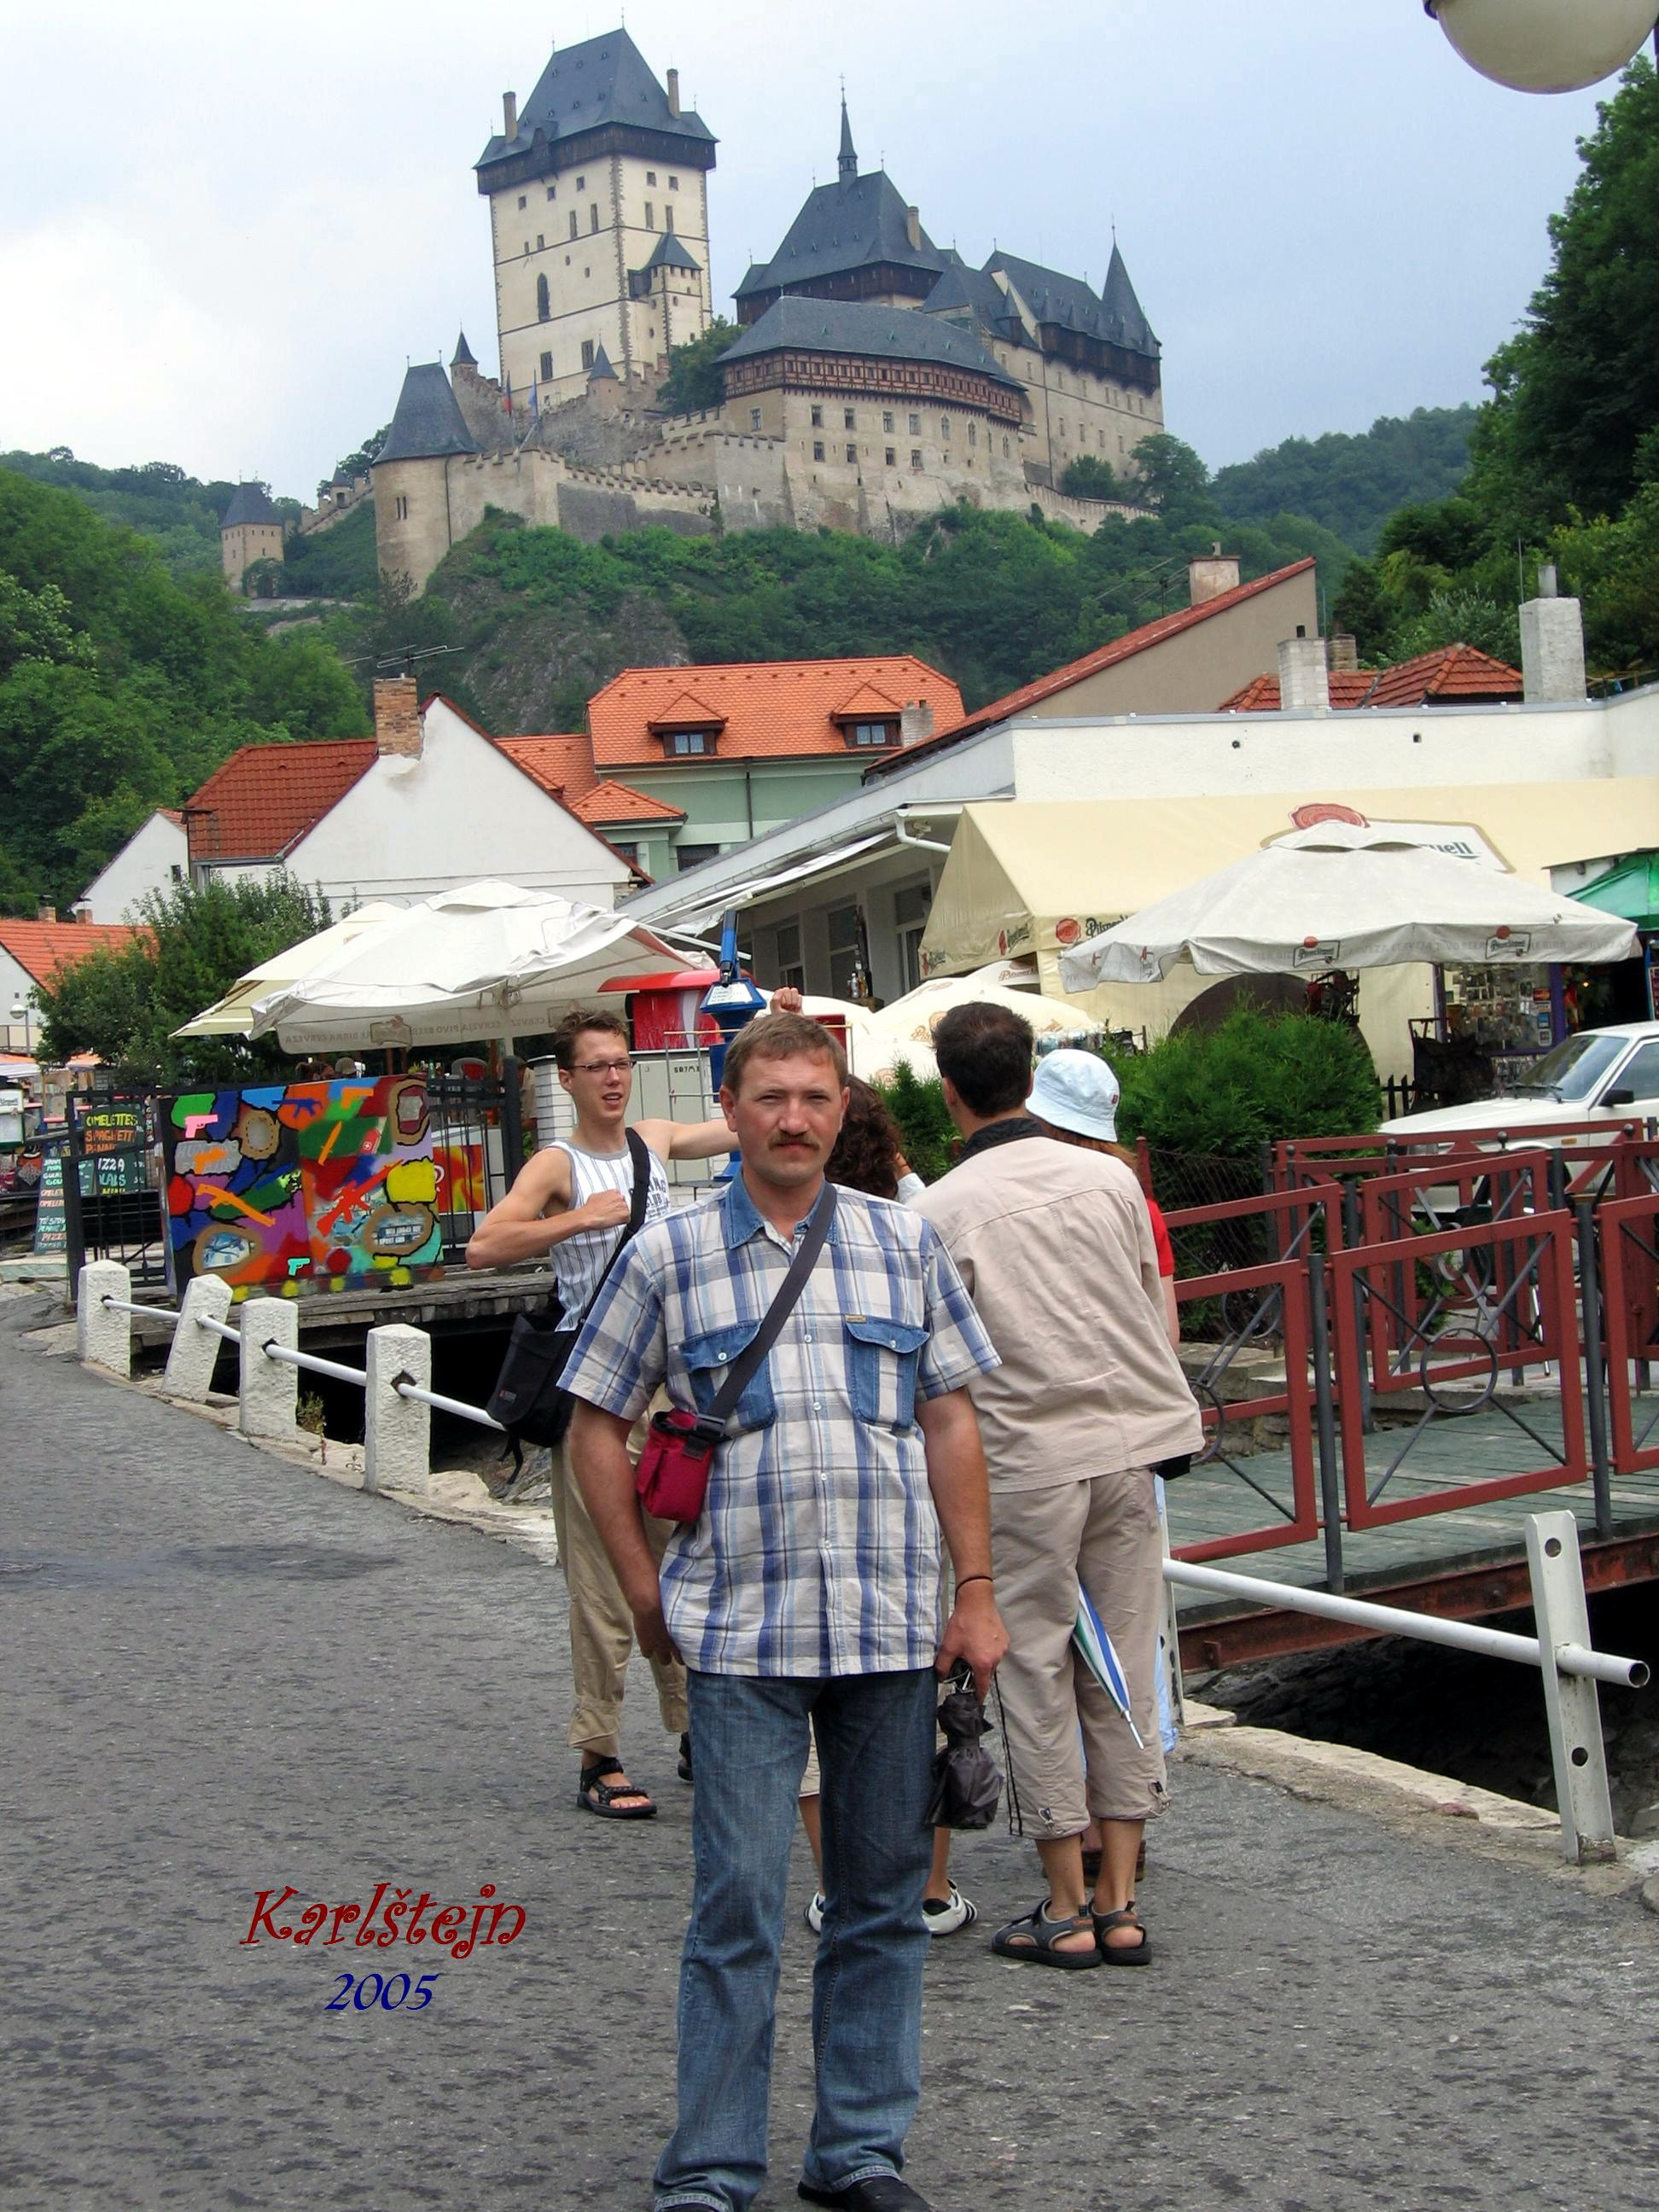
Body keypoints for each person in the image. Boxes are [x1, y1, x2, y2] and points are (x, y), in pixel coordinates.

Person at [564, 1010, 1007, 2212]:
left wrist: (976, 1592)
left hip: (888, 1627)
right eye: (772, 1099)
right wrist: (640, 1588)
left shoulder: (902, 1245)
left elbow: (950, 1418)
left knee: (881, 1904)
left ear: (841, 1105)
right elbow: (595, 1423)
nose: (795, 1119)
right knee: (738, 1908)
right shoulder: (668, 1254)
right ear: (733, 1105)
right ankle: (709, 2168)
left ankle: (858, 2152)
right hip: (739, 1632)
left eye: (816, 1098)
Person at [916, 1004, 1202, 1970]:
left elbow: (939, 1368)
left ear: (949, 1089)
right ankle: (1122, 1898)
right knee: (1123, 1663)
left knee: (1035, 1668)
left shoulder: (939, 1211)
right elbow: (1145, 1302)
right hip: (1130, 1443)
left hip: (1026, 1459)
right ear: (1030, 1076)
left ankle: (1067, 1903)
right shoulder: (1111, 1181)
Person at [466, 1006, 740, 1821]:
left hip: (670, 1394)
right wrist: (578, 1219)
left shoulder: (652, 1142)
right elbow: (484, 1245)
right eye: (598, 1067)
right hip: (595, 1397)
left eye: (622, 1063)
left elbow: (736, 1131)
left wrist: (771, 1032)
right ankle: (601, 1751)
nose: (615, 1078)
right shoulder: (558, 1164)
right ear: (569, 1079)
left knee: (686, 1560)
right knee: (600, 1579)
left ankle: (696, 1731)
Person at [799, 1077, 975, 1941]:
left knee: (805, 1715)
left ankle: (840, 1884)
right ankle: (927, 1887)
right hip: (907, 1515)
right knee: (917, 1705)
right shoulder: (911, 1230)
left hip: (801, 1520)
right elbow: (951, 1409)